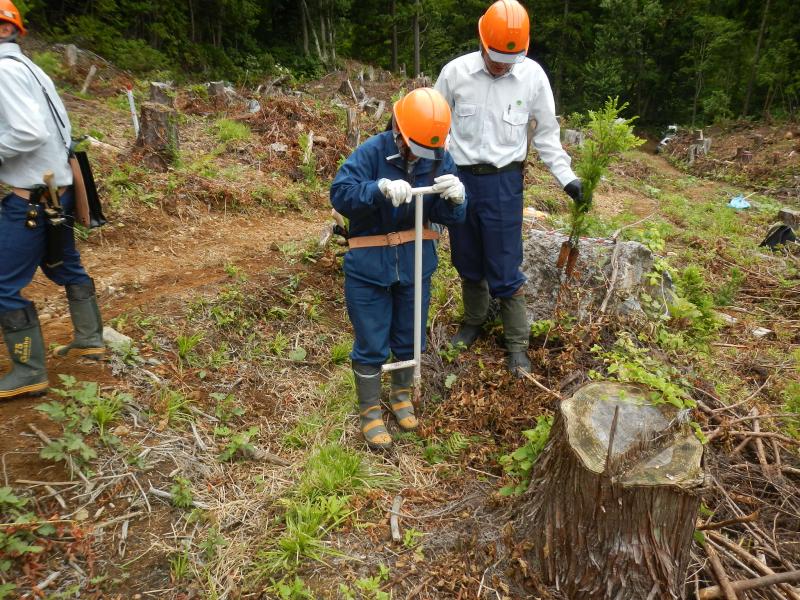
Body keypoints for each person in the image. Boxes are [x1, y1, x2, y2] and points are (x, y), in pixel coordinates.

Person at [434, 0, 582, 377]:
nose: (501, 65)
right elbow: (435, 129)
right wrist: (432, 172)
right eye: (495, 56)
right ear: (482, 41)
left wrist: (567, 178)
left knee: (505, 264)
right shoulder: (455, 73)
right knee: (466, 257)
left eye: (508, 60)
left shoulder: (532, 77)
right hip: (460, 180)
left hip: (504, 183)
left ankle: (517, 344)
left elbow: (547, 135)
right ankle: (473, 322)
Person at [331, 87, 466, 449]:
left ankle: (402, 393)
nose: (420, 156)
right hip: (369, 265)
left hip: (415, 263)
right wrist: (378, 189)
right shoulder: (372, 153)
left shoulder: (438, 158)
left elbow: (446, 215)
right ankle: (370, 410)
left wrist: (455, 200)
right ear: (400, 132)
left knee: (410, 335)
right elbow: (340, 193)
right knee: (372, 340)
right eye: (415, 147)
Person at [0, 0, 104, 400]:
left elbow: (28, 132)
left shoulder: (6, 71)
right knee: (64, 264)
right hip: (55, 192)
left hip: (30, 199)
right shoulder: (30, 68)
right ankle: (90, 338)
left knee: (2, 285)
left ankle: (28, 371)